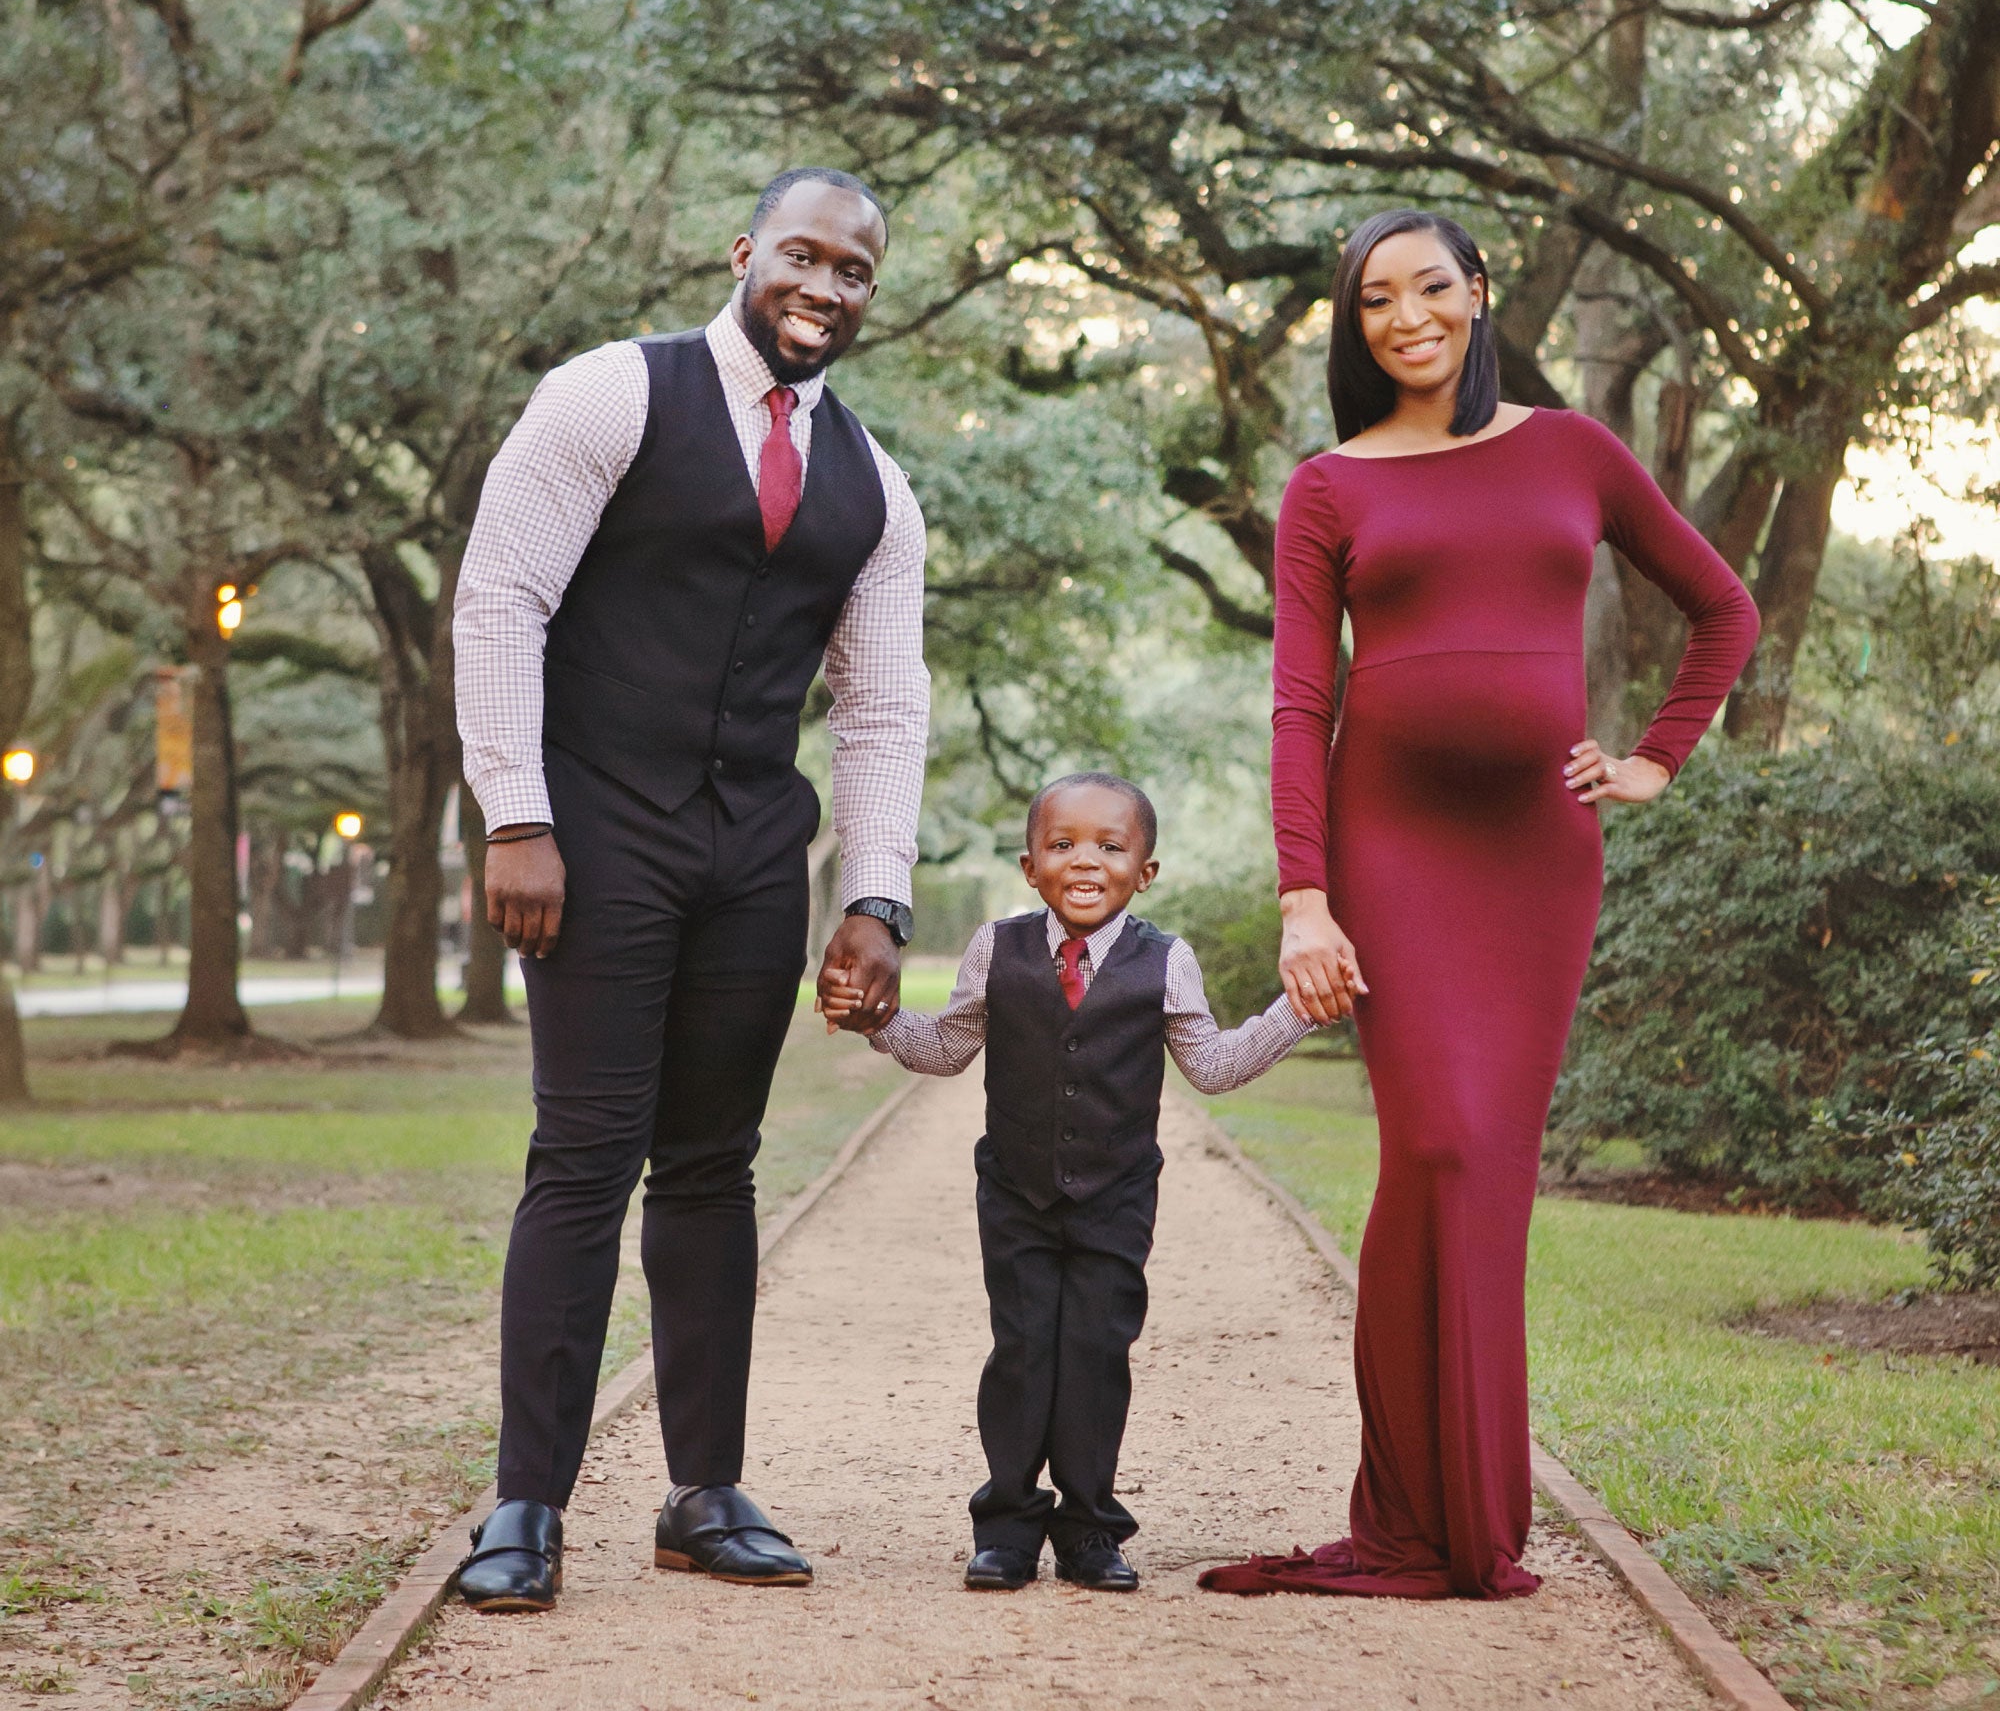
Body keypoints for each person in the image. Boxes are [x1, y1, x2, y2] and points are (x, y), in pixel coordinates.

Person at [1201, 209, 1759, 1602]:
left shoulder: (1572, 449)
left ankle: (1466, 1521)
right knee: (1437, 1147)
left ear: (1479, 293)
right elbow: (1298, 702)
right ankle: (1415, 1510)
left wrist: (1650, 762)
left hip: (1537, 861)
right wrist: (1304, 899)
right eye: (1375, 301)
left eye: (1430, 289)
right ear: (1355, 327)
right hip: (1391, 847)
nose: (1406, 318)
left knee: (1483, 1172)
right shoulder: (1328, 486)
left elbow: (1723, 608)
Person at [451, 168, 930, 1612]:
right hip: (593, 831)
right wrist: (517, 814)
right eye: (803, 253)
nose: (826, 285)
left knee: (714, 1167)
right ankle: (524, 1507)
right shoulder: (610, 395)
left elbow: (884, 703)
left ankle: (702, 1495)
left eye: (854, 269)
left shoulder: (878, 487)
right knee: (585, 1155)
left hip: (747, 856)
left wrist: (877, 896)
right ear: (746, 255)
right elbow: (502, 598)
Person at [825, 772, 1316, 1593]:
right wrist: (876, 1020)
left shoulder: (1168, 962)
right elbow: (946, 1049)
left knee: (1093, 1355)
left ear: (1145, 871)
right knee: (1022, 1352)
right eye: (1062, 845)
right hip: (1015, 1195)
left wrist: (1297, 1008)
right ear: (1030, 866)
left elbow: (1216, 1066)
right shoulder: (996, 947)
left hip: (1116, 1200)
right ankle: (1009, 1527)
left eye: (1110, 846)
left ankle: (1090, 1531)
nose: (1085, 862)